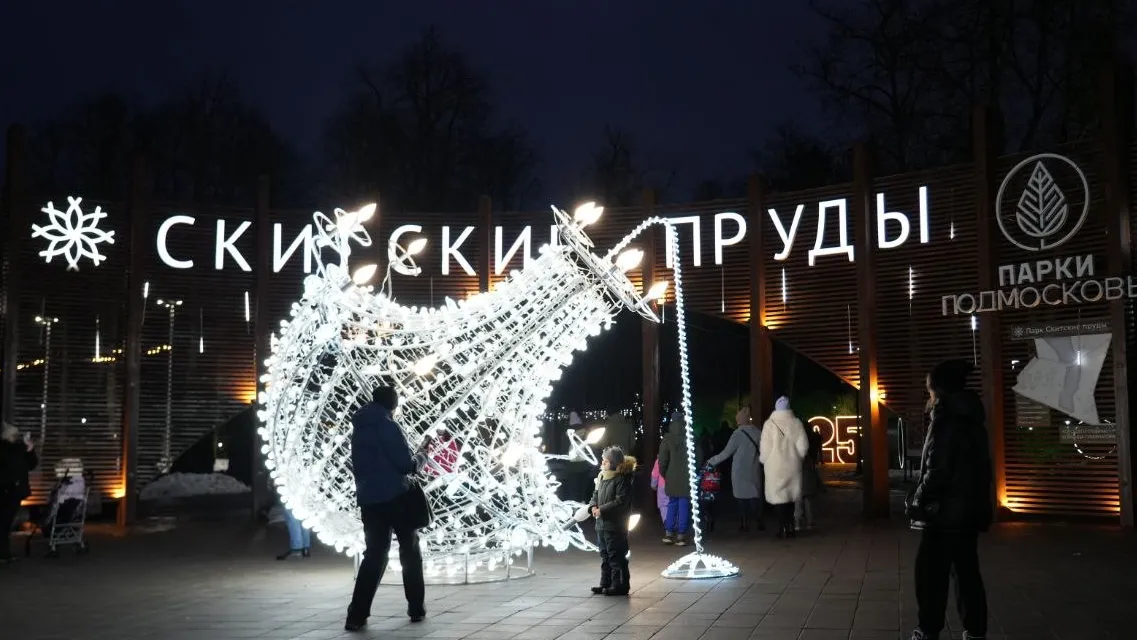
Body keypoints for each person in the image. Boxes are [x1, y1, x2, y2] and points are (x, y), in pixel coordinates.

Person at [906, 360, 992, 640]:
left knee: (929, 576)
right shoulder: (971, 416)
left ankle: (927, 631)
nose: (928, 396)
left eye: (930, 390)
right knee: (967, 572)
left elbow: (937, 469)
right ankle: (975, 631)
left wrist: (917, 500)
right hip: (968, 511)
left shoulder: (947, 419)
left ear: (939, 390)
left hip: (945, 514)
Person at [345, 386, 430, 633]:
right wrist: (422, 455)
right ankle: (416, 608)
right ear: (392, 403)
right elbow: (406, 465)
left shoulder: (360, 427)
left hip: (370, 500)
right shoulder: (387, 424)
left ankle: (356, 615)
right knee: (410, 551)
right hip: (396, 497)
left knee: (375, 555)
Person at [707, 406, 765, 532]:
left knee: (741, 498)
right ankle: (759, 519)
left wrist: (711, 461)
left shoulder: (737, 434)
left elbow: (726, 453)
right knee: (754, 496)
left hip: (739, 471)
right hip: (754, 469)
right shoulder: (758, 432)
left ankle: (744, 522)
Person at [588, 446, 636, 596]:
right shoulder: (602, 477)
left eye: (606, 461)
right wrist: (593, 506)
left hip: (615, 525)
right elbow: (595, 494)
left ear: (614, 463)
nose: (602, 463)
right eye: (602, 461)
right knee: (605, 554)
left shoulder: (621, 479)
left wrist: (602, 509)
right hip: (601, 524)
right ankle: (605, 583)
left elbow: (620, 501)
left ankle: (620, 585)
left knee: (616, 555)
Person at [760, 396, 808, 539]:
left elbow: (765, 447)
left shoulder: (770, 424)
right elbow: (803, 445)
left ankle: (782, 528)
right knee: (791, 496)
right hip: (793, 465)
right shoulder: (796, 423)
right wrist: (797, 457)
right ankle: (791, 526)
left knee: (778, 498)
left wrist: (764, 459)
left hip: (774, 467)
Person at [1, 423, 38, 562]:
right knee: (4, 522)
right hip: (7, 490)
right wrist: (26, 448)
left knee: (6, 522)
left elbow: (31, 464)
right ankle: (3, 553)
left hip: (13, 490)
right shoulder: (7, 449)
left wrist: (29, 450)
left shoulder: (16, 450)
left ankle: (4, 552)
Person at [658, 411, 693, 546]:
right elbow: (699, 454)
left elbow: (663, 459)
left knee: (672, 503)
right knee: (684, 503)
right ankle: (681, 536)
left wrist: (664, 473)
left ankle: (668, 533)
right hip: (686, 476)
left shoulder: (667, 438)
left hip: (671, 475)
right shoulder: (689, 437)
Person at [795, 425, 824, 532]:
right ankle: (810, 522)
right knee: (807, 502)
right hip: (807, 480)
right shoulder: (809, 455)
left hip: (797, 480)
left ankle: (797, 523)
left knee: (797, 503)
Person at [649, 457, 668, 526]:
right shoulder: (677, 458)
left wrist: (653, 485)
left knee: (663, 505)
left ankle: (667, 525)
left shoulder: (660, 459)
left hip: (662, 485)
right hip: (675, 486)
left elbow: (655, 474)